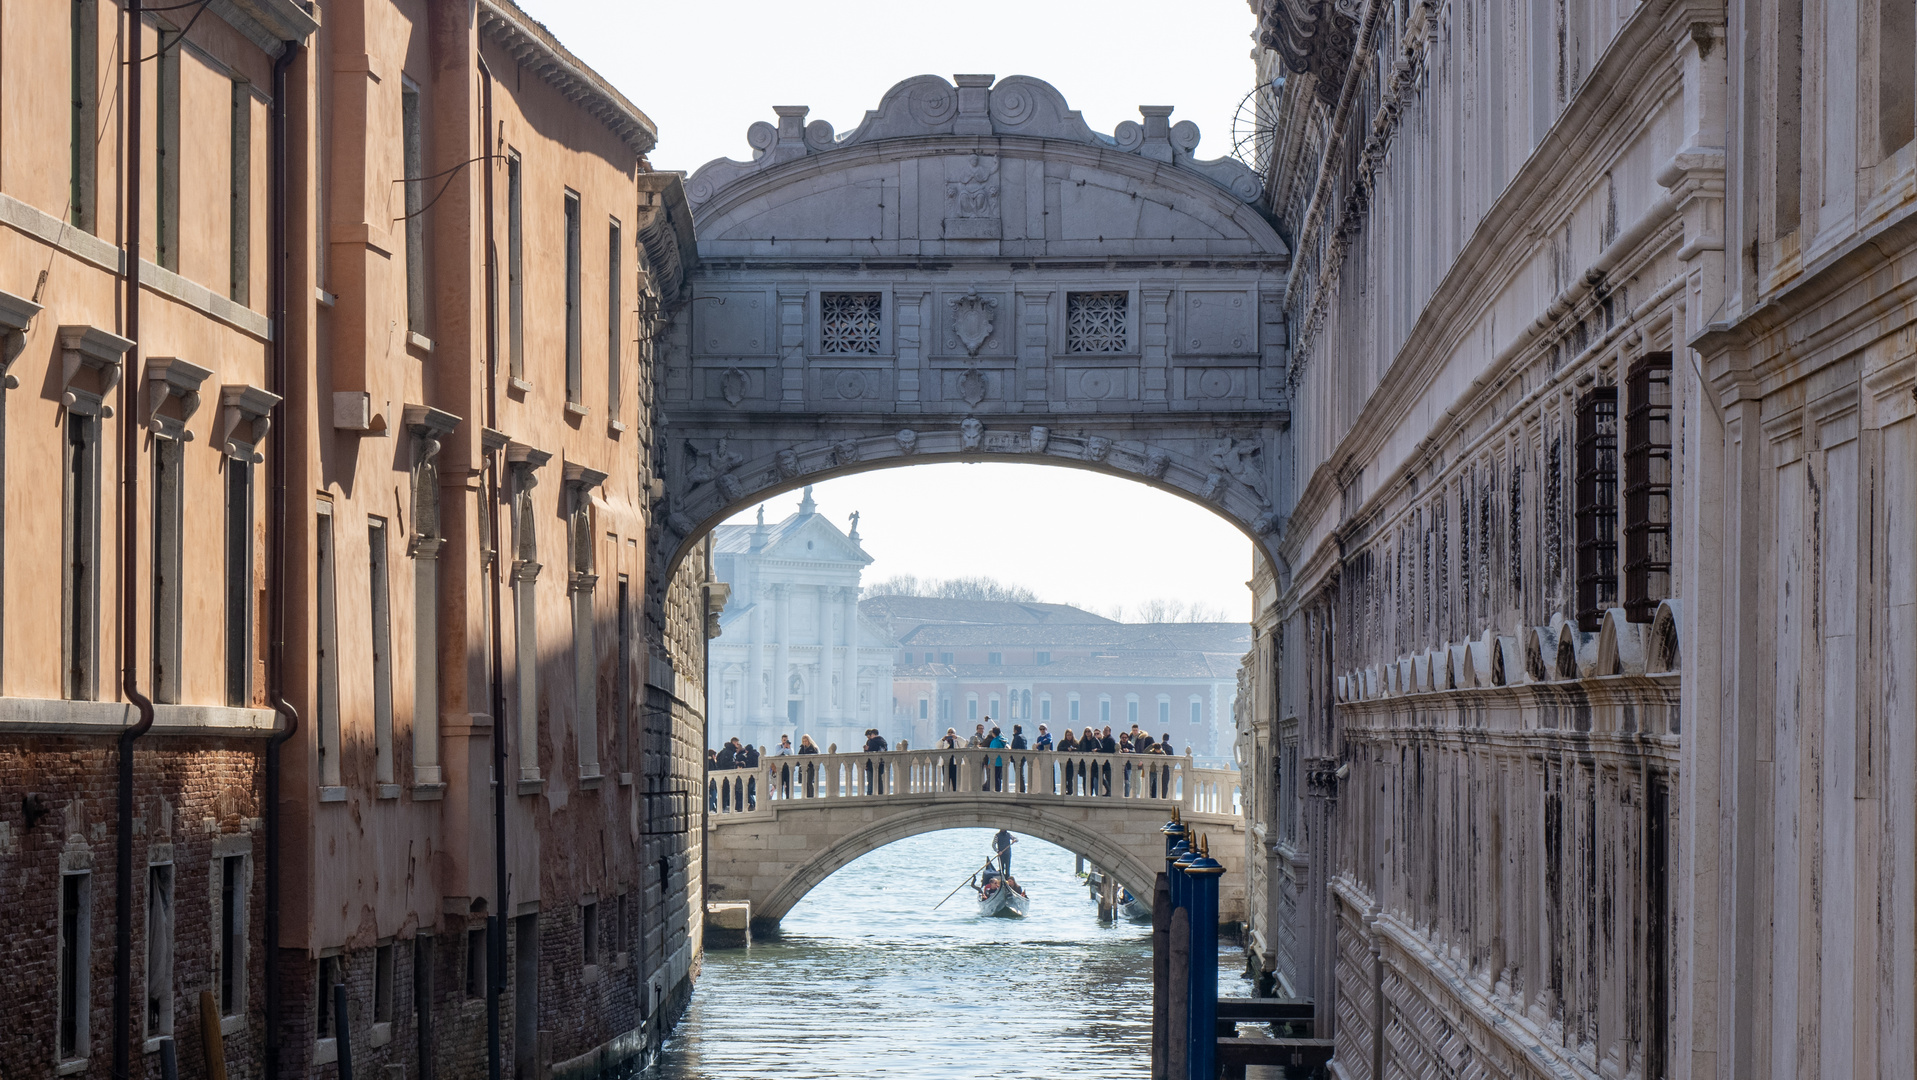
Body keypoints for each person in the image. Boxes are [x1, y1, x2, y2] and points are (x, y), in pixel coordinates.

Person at [739, 740, 761, 809]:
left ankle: (752, 804)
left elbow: (749, 765)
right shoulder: (757, 754)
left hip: (751, 776)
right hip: (757, 775)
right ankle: (754, 803)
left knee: (747, 790)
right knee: (751, 791)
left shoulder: (750, 756)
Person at [986, 726, 1007, 791]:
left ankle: (995, 789)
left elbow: (992, 753)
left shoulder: (995, 741)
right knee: (998, 777)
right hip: (1001, 761)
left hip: (995, 762)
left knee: (994, 777)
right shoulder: (1003, 740)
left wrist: (989, 762)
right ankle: (998, 789)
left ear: (993, 733)